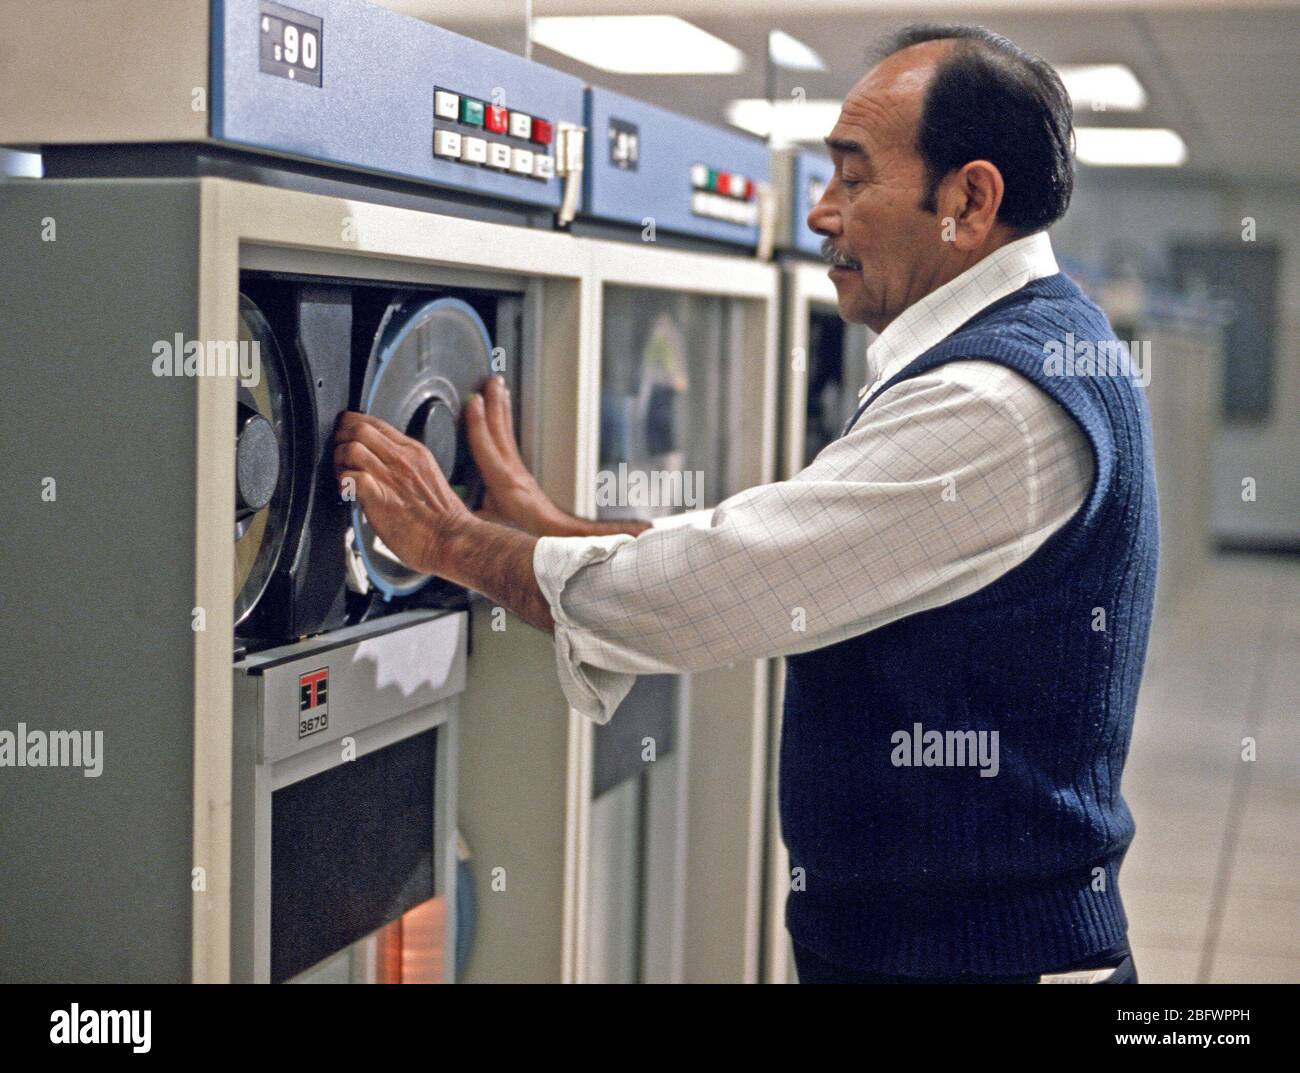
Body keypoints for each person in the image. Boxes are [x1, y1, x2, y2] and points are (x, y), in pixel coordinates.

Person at [334, 24, 1156, 984]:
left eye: (853, 179)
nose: (820, 214)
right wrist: (540, 520)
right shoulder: (1039, 348)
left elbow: (708, 589)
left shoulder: (994, 404)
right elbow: (777, 548)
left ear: (968, 202)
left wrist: (452, 539)